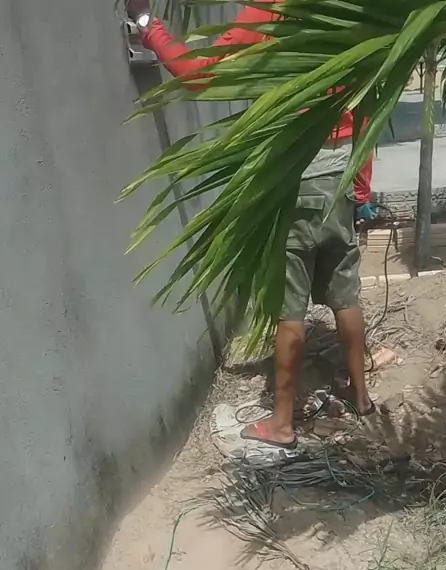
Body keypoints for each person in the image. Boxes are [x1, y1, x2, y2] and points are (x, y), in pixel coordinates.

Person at [127, 0, 376, 450]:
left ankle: (282, 424)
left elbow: (199, 75)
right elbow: (366, 102)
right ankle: (361, 398)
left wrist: (149, 27)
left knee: (290, 306)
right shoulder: (344, 9)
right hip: (341, 169)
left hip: (297, 176)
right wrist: (361, 185)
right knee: (345, 292)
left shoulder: (271, 10)